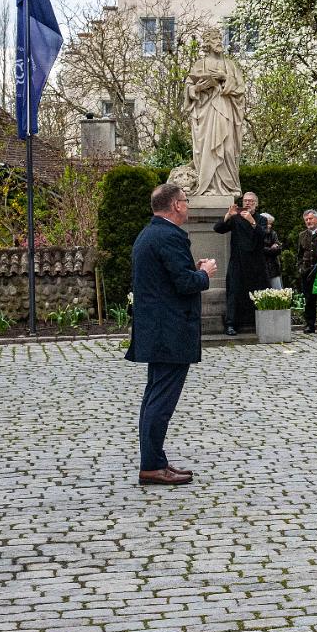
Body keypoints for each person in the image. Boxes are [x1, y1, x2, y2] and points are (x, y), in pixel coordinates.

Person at [128, 182, 216, 485]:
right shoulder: (168, 236)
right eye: (185, 201)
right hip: (169, 331)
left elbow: (168, 278)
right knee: (160, 402)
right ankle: (151, 465)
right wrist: (205, 274)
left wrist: (193, 270)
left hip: (158, 329)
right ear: (176, 205)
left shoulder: (150, 233)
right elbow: (184, 283)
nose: (188, 206)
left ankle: (156, 460)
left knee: (155, 398)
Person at [212, 191, 263, 336]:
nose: (248, 203)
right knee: (234, 292)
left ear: (256, 204)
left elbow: (263, 236)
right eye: (245, 201)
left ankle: (254, 323)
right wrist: (228, 215)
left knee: (256, 292)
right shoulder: (236, 218)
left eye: (251, 201)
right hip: (237, 261)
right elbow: (218, 228)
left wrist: (252, 222)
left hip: (255, 263)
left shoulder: (261, 219)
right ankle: (231, 324)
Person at [294, 209, 317, 334]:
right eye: (306, 219)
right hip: (306, 272)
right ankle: (309, 324)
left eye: (311, 219)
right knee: (309, 299)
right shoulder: (302, 235)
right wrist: (300, 268)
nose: (308, 221)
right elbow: (300, 254)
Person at [258, 213, 283, 289]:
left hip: (273, 268)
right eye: (267, 223)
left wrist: (275, 248)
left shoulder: (273, 233)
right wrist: (271, 249)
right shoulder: (257, 234)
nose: (269, 226)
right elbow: (259, 249)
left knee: (277, 292)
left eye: (270, 224)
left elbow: (279, 249)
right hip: (261, 268)